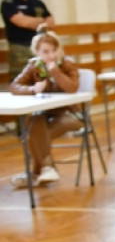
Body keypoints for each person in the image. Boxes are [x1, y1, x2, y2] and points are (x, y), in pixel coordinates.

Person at [9, 29, 81, 188]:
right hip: (45, 115)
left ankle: (35, 173)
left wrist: (54, 71)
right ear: (37, 52)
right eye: (46, 52)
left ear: (59, 49)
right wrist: (32, 89)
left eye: (54, 50)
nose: (51, 55)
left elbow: (72, 87)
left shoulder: (68, 64)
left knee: (33, 133)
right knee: (35, 120)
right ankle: (46, 169)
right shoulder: (34, 65)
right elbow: (14, 86)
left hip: (70, 115)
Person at [3, 0, 56, 84]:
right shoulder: (8, 2)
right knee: (21, 80)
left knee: (42, 77)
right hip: (20, 48)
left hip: (40, 47)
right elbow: (22, 23)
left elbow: (51, 22)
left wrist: (31, 21)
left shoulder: (36, 1)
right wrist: (41, 22)